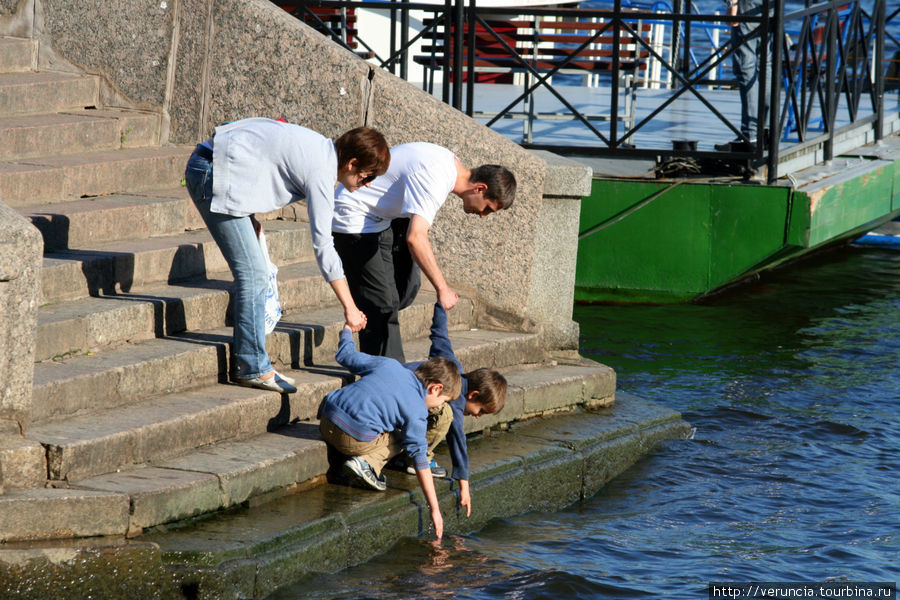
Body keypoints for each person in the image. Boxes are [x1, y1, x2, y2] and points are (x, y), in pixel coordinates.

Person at [184, 118, 390, 393]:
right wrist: (350, 308)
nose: (366, 184)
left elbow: (260, 152)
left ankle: (254, 363)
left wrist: (249, 215)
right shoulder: (321, 171)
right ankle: (253, 367)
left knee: (254, 272)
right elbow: (323, 246)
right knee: (254, 276)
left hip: (214, 166)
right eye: (367, 176)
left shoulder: (318, 147)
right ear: (352, 164)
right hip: (212, 174)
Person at [332, 142, 517, 363]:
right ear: (480, 188)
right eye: (487, 208)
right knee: (381, 304)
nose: (483, 215)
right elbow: (416, 237)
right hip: (351, 218)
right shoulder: (437, 177)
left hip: (378, 220)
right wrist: (443, 289)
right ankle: (388, 377)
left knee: (402, 291)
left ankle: (380, 361)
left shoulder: (449, 164)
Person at [318, 325, 462, 540]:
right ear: (436, 388)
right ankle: (366, 463)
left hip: (327, 416)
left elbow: (346, 355)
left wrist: (347, 331)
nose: (437, 407)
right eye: (443, 401)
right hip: (351, 438)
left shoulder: (390, 365)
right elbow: (420, 459)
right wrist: (435, 508)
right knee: (406, 439)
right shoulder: (417, 410)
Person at [397, 302, 507, 518]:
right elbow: (458, 442)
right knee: (443, 417)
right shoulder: (456, 405)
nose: (477, 416)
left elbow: (440, 336)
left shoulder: (452, 366)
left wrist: (440, 305)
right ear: (473, 395)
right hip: (399, 405)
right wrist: (464, 485)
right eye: (480, 411)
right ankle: (415, 458)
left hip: (394, 383)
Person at [715, 0, 770, 152]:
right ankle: (765, 130)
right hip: (771, 7)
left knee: (746, 67)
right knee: (766, 65)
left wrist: (732, 4)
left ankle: (750, 134)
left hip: (748, 7)